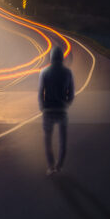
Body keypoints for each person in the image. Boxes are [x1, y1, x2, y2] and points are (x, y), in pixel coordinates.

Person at [39, 46, 74, 175]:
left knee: (48, 140)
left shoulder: (44, 72)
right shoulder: (68, 73)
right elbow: (71, 94)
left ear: (51, 57)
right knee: (63, 140)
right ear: (62, 57)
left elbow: (40, 92)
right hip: (61, 110)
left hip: (48, 110)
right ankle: (59, 166)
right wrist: (66, 104)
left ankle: (51, 166)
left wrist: (42, 107)